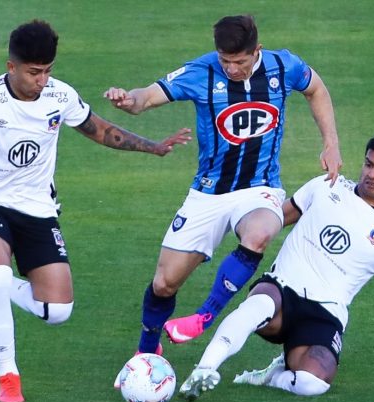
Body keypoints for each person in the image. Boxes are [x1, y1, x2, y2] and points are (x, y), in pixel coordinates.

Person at [0, 20, 190, 402]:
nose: (42, 80)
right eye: (34, 72)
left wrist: (154, 147)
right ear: (11, 67)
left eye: (47, 70)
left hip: (39, 210)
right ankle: (8, 376)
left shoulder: (60, 96)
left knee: (58, 311)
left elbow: (99, 129)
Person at [105, 15, 341, 378]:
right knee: (164, 283)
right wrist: (126, 99)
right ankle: (147, 347)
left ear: (257, 51)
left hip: (259, 188)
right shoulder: (203, 72)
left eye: (240, 62)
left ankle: (205, 315)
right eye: (225, 60)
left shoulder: (283, 66)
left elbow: (317, 88)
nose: (231, 68)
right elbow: (146, 98)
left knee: (260, 232)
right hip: (208, 194)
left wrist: (331, 143)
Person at [177, 131, 374, 400]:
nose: (372, 174)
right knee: (258, 305)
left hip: (325, 315)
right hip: (282, 291)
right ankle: (204, 369)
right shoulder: (327, 186)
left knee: (314, 383)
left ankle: (273, 375)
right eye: (369, 164)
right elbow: (275, 219)